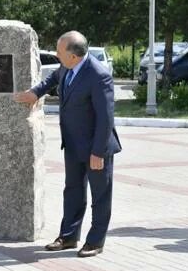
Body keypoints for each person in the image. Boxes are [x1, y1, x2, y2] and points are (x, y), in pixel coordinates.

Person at [14, 31, 122, 258]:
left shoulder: (98, 75)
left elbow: (105, 118)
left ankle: (95, 241)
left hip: (95, 147)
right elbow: (52, 79)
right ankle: (69, 236)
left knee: (100, 195)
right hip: (73, 144)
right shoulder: (67, 67)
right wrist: (35, 93)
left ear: (73, 55)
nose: (56, 54)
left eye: (59, 51)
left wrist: (98, 152)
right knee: (72, 191)